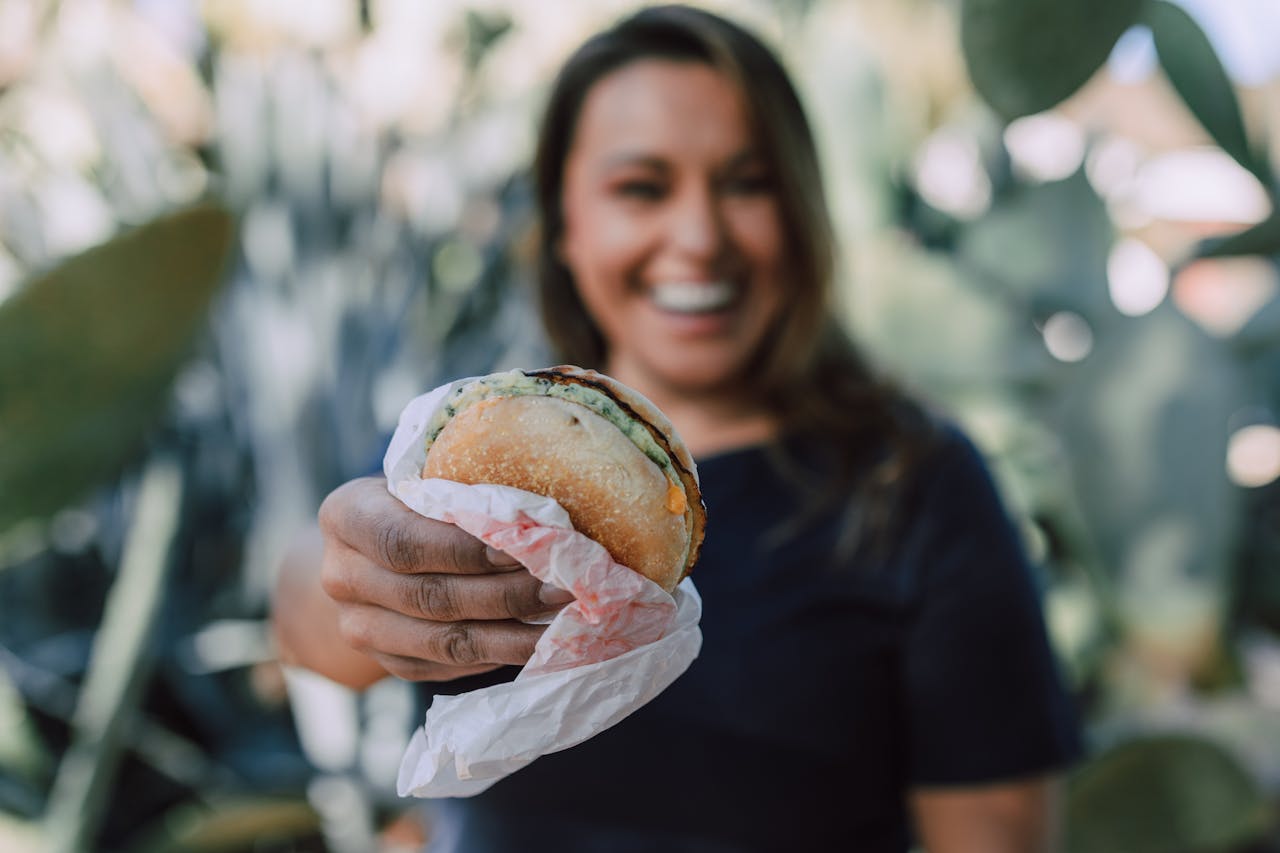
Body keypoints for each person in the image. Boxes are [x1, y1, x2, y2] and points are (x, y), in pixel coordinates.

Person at [272, 5, 1081, 851]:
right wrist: (349, 569)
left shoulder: (917, 485)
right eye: (641, 188)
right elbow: (310, 629)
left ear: (803, 212)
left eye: (747, 183)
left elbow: (997, 834)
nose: (699, 238)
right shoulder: (481, 453)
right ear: (563, 226)